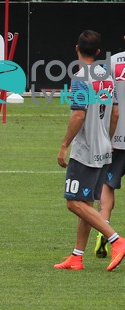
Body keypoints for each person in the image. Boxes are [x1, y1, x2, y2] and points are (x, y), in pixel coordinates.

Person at [54, 30, 125, 272]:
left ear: (77, 48)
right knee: (86, 203)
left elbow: (78, 115)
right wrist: (108, 139)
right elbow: (115, 113)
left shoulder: (80, 77)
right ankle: (77, 256)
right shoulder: (106, 75)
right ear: (98, 52)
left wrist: (64, 145)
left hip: (86, 151)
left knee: (73, 203)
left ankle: (116, 240)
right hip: (105, 147)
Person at [93, 47, 124, 259]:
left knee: (107, 186)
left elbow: (104, 101)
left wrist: (106, 136)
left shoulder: (111, 62)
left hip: (116, 138)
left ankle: (104, 229)